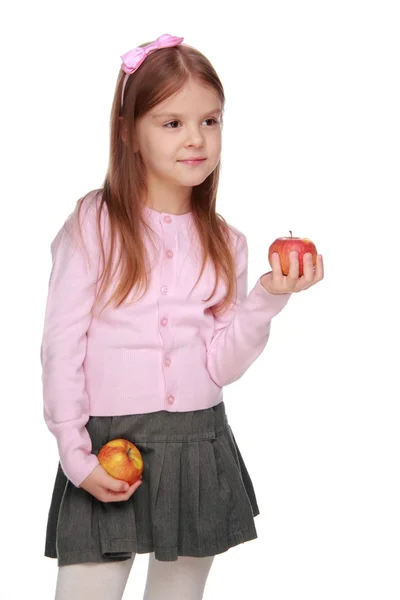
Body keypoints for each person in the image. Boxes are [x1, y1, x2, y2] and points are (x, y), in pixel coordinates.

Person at [41, 33, 324, 600]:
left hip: (198, 444)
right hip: (107, 448)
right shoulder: (95, 225)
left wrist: (269, 296)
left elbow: (220, 364)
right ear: (129, 131)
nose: (196, 138)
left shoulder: (227, 242)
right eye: (171, 123)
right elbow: (61, 348)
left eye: (211, 121)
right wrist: (76, 456)